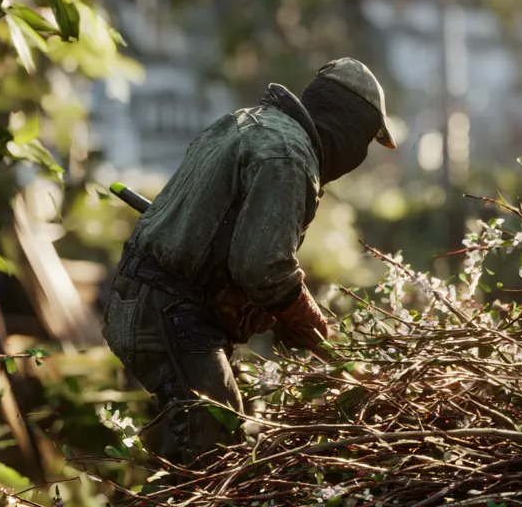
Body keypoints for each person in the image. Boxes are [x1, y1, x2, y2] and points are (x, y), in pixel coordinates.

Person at [102, 58, 396, 463]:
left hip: (158, 302)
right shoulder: (287, 155)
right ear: (349, 126)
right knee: (213, 448)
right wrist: (308, 320)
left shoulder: (248, 123)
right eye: (364, 141)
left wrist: (275, 314)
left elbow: (224, 243)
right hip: (170, 312)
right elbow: (264, 268)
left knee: (213, 436)